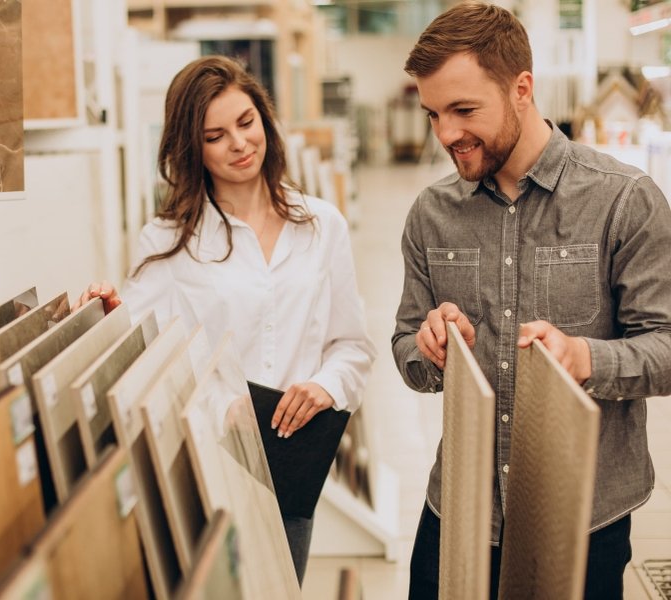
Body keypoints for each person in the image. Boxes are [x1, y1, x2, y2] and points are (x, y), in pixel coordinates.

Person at [391, 3, 671, 598]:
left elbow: (667, 345)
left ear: (522, 88)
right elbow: (405, 351)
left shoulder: (624, 201)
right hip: (461, 509)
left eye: (464, 110)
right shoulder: (431, 216)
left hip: (583, 513)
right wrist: (427, 346)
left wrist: (585, 358)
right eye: (433, 113)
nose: (446, 134)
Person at [77, 55, 376, 585]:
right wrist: (106, 316)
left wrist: (324, 386)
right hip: (210, 461)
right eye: (216, 135)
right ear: (193, 148)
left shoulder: (321, 226)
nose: (239, 144)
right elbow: (145, 355)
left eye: (246, 123)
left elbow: (352, 346)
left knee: (283, 589)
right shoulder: (169, 242)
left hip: (290, 462)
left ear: (264, 119)